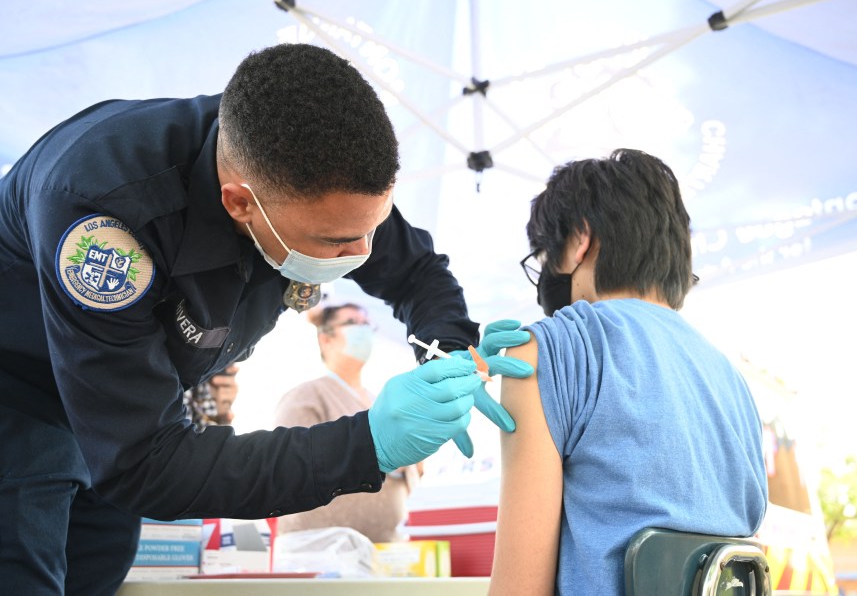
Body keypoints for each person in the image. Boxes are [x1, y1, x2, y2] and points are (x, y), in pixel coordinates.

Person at [0, 42, 532, 595]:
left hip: (128, 408)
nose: (362, 251)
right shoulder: (102, 213)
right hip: (21, 399)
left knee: (98, 566)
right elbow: (146, 461)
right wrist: (366, 444)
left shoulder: (315, 170)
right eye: (334, 242)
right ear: (239, 204)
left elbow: (415, 273)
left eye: (368, 228)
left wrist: (444, 352)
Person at [488, 150, 768, 595]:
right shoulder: (730, 379)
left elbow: (519, 588)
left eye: (543, 254)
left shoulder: (549, 349)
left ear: (579, 238)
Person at [273, 303, 419, 545]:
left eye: (366, 324)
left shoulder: (380, 402)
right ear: (325, 339)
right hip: (320, 551)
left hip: (383, 550)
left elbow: (408, 471)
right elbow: (293, 465)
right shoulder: (307, 396)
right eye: (352, 323)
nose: (362, 330)